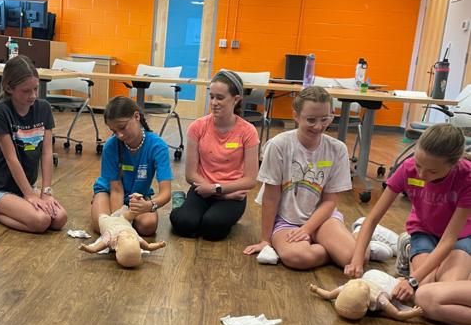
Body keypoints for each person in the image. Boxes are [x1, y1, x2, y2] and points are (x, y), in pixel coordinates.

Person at [344, 124, 471, 325]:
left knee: (445, 288)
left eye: (432, 171)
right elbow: (372, 218)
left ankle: (412, 254)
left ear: (454, 164)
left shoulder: (466, 176)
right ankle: (408, 247)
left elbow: (448, 240)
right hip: (424, 230)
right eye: (419, 165)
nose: (421, 174)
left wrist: (412, 280)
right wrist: (357, 260)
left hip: (460, 235)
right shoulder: (408, 168)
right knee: (425, 288)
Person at [243, 86, 357, 270]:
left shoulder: (338, 149)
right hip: (286, 220)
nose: (318, 126)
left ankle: (354, 237)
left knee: (353, 258)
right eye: (311, 120)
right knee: (298, 257)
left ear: (332, 116)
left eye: (325, 119)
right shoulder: (278, 145)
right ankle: (338, 247)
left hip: (322, 218)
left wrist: (307, 229)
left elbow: (330, 201)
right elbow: (270, 197)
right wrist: (265, 240)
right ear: (296, 116)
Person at [0, 55, 67, 233]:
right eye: (26, 91)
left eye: (35, 89)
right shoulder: (1, 111)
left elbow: (47, 153)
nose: (33, 95)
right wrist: (30, 195)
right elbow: (11, 158)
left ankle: (15, 205)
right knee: (41, 221)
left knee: (59, 219)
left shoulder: (44, 108)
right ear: (9, 88)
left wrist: (46, 192)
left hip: (25, 187)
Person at [169, 70, 259, 241]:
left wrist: (219, 190)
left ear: (236, 99)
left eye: (220, 98)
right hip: (202, 189)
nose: (214, 103)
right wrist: (217, 191)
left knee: (212, 227)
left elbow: (250, 180)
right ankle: (183, 204)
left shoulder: (248, 131)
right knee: (183, 223)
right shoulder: (197, 127)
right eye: (211, 97)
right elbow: (190, 175)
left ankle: (214, 217)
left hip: (233, 194)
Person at [91, 96, 172, 236]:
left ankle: (128, 217)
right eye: (114, 131)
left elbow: (166, 193)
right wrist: (119, 221)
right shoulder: (110, 146)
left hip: (138, 195)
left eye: (122, 127)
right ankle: (100, 203)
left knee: (148, 226)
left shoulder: (158, 146)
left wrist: (149, 205)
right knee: (101, 226)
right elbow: (116, 190)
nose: (119, 135)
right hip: (109, 192)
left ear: (136, 116)